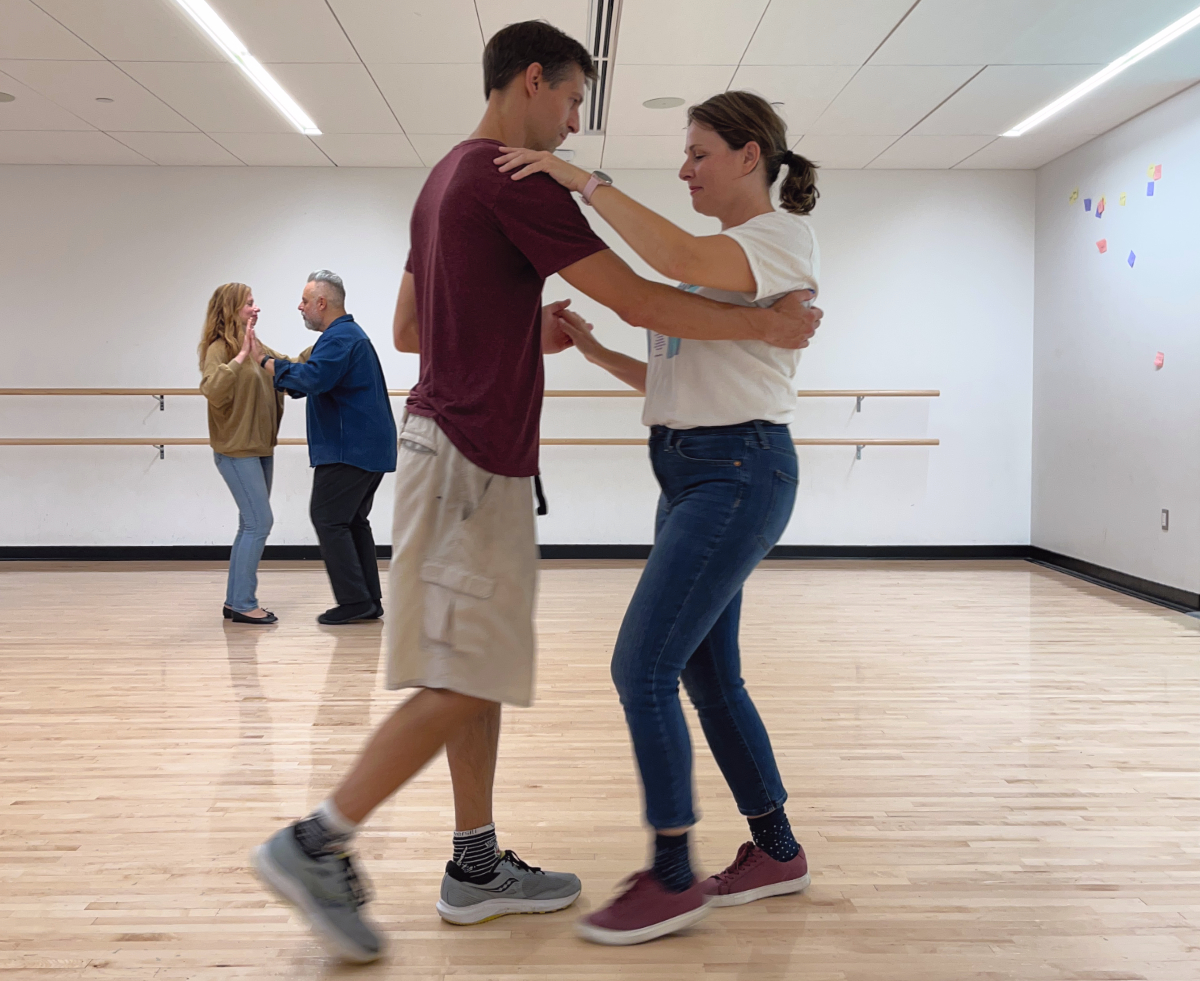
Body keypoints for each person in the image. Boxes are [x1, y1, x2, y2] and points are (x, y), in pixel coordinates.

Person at [249, 22, 819, 965]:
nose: (573, 122)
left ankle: (477, 863)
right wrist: (763, 325)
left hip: (479, 447)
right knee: (477, 670)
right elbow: (645, 292)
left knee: (508, 668)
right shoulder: (514, 176)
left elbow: (408, 325)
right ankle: (316, 840)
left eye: (696, 154)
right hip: (478, 456)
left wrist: (525, 329)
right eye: (572, 101)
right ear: (531, 81)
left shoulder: (444, 178)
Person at [494, 89, 822, 944]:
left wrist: (580, 179)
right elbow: (675, 384)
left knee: (640, 666)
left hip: (738, 471)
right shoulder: (710, 269)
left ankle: (673, 872)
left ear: (751, 156)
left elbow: (666, 252)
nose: (685, 169)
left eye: (699, 153)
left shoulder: (777, 240)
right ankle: (776, 848)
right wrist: (597, 347)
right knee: (707, 676)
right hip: (692, 470)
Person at [255, 270, 397, 626]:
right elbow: (317, 378)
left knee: (328, 517)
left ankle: (355, 602)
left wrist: (265, 362)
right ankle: (367, 601)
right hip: (365, 448)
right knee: (351, 521)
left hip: (350, 449)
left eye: (305, 301)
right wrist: (282, 371)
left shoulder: (340, 337)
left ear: (322, 303)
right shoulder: (344, 336)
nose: (299, 307)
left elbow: (314, 378)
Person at [198, 283, 290, 625]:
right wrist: (240, 357)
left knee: (249, 524)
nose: (256, 308)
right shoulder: (219, 349)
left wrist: (327, 345)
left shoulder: (257, 345)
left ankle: (235, 601)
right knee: (259, 522)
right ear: (232, 308)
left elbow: (285, 366)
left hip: (260, 447)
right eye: (249, 303)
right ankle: (243, 602)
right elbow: (212, 388)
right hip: (236, 451)